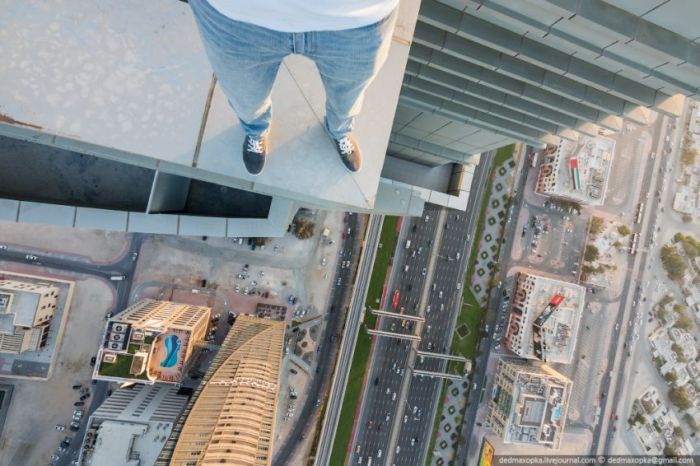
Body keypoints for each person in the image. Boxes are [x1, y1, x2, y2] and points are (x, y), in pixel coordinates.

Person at [189, 0, 399, 175]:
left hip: (359, 19)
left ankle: (339, 131)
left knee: (347, 99)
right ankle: (256, 132)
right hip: (234, 14)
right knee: (245, 97)